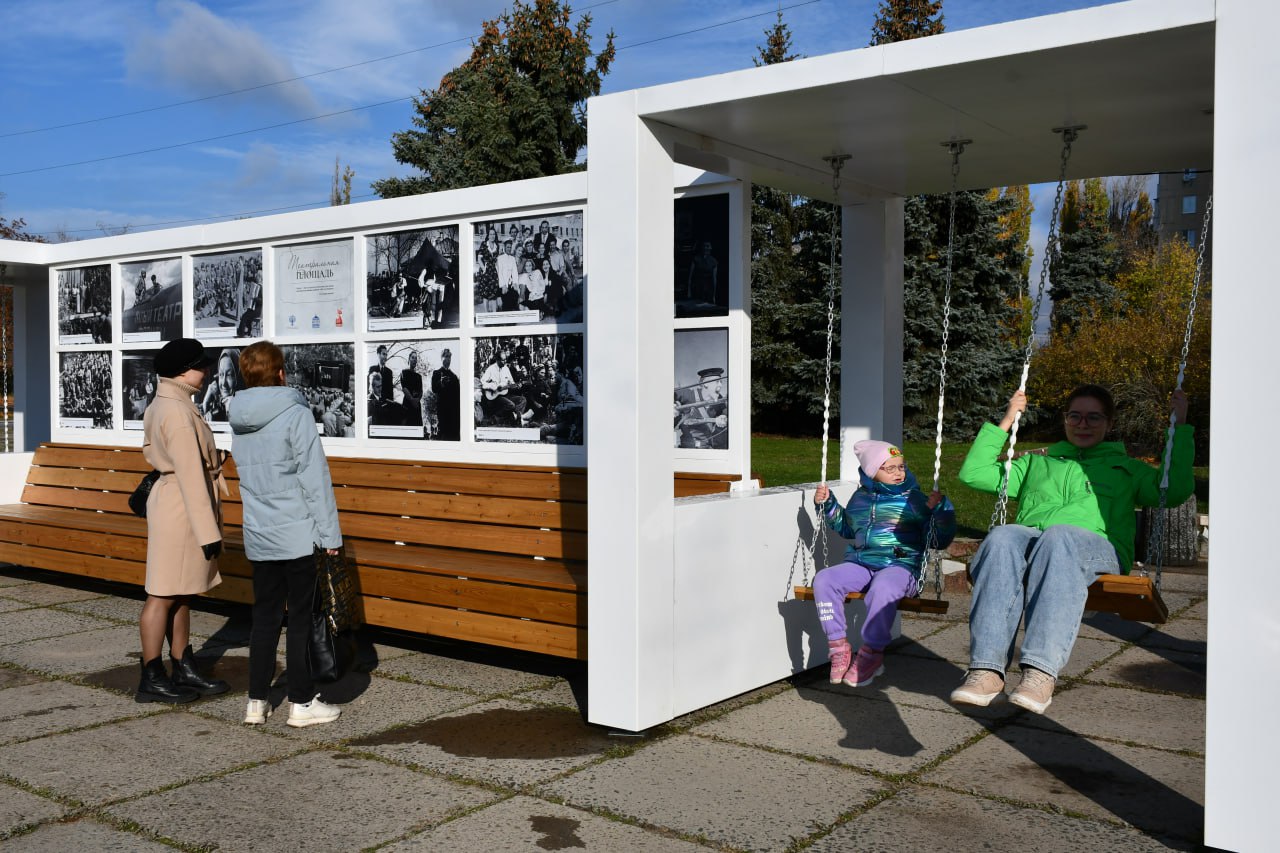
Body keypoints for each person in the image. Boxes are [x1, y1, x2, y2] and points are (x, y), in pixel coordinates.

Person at [950, 385, 1194, 714]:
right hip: (1037, 542)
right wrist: (1008, 418)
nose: (1083, 424)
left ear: (1109, 423)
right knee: (1003, 536)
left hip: (1096, 550)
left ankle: (1039, 671)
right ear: (1065, 420)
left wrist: (1179, 427)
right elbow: (973, 474)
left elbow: (1174, 490)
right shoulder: (1038, 463)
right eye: (1075, 416)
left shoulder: (1125, 469)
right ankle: (986, 670)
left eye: (1094, 417)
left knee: (1059, 535)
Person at [229, 340, 344, 728]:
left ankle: (256, 702)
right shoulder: (294, 414)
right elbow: (315, 479)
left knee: (262, 619)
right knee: (299, 618)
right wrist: (330, 535)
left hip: (260, 533)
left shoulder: (239, 419)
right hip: (296, 532)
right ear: (280, 372)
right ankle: (300, 702)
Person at [812, 441, 955, 687]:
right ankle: (838, 647)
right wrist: (829, 505)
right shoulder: (860, 498)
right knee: (824, 579)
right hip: (862, 563)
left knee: (883, 587)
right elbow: (848, 528)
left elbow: (939, 540)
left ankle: (872, 653)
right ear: (871, 472)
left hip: (900, 568)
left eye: (901, 467)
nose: (899, 473)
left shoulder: (915, 500)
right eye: (890, 468)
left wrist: (941, 511)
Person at [136, 338, 230, 704]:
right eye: (200, 365)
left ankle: (182, 664)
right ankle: (152, 675)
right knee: (162, 594)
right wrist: (209, 532)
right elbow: (190, 473)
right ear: (180, 371)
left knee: (182, 592)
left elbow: (157, 452)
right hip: (182, 507)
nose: (205, 371)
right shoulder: (176, 410)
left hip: (176, 501)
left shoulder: (169, 403)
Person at [201, 348, 241, 423]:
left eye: (229, 375)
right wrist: (205, 404)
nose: (223, 384)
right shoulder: (217, 406)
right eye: (221, 374)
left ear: (238, 377)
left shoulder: (246, 408)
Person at [431, 348, 461, 440]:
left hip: (454, 412)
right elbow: (434, 389)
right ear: (441, 358)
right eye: (446, 356)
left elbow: (458, 395)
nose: (448, 359)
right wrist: (441, 383)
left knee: (455, 435)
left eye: (449, 357)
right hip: (443, 411)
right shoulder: (436, 373)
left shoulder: (454, 376)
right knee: (444, 435)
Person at [476, 226, 502, 313]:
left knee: (494, 294)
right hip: (485, 271)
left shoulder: (497, 246)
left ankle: (494, 314)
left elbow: (497, 260)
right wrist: (484, 269)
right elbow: (479, 259)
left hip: (494, 272)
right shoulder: (484, 244)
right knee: (486, 295)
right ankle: (486, 314)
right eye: (490, 234)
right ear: (488, 235)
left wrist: (498, 272)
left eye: (494, 234)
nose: (492, 236)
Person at [400, 350, 424, 428]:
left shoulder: (419, 376)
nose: (414, 359)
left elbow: (421, 391)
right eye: (412, 357)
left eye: (416, 358)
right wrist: (411, 399)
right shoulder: (404, 372)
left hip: (417, 406)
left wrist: (416, 400)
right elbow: (404, 388)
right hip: (407, 405)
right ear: (409, 359)